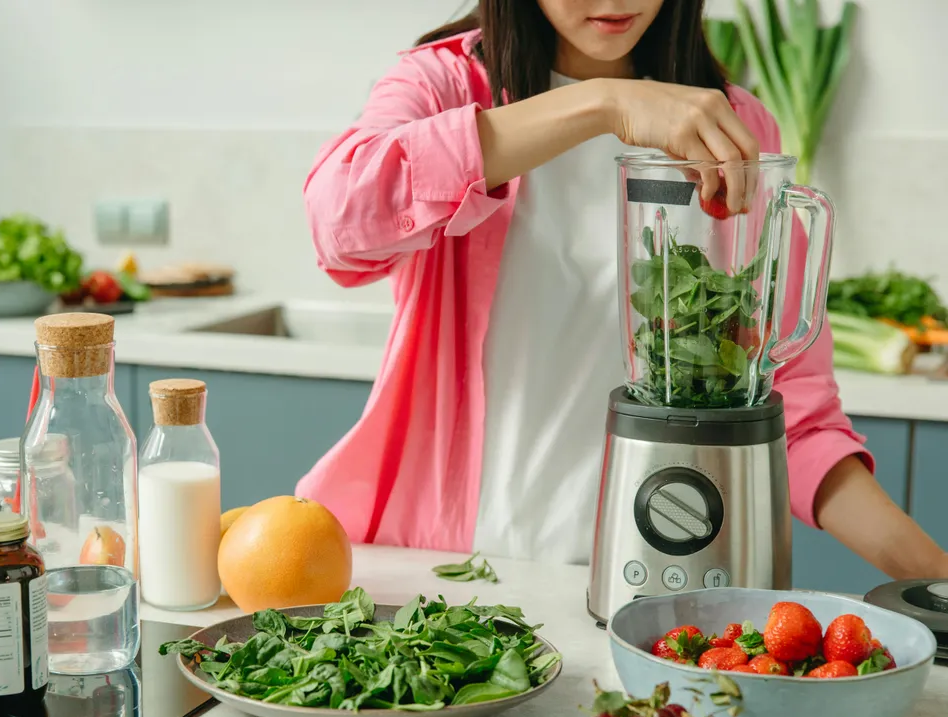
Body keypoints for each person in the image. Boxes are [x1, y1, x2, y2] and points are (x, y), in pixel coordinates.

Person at [296, 0, 948, 580]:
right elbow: (338, 216)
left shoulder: (734, 130)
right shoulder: (441, 87)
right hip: (453, 574)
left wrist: (936, 577)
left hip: (661, 585)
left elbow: (794, 419)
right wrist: (605, 104)